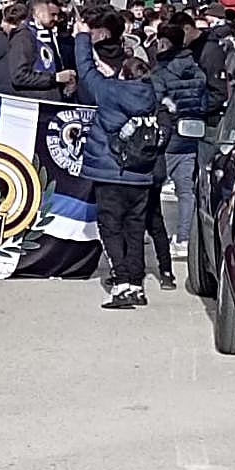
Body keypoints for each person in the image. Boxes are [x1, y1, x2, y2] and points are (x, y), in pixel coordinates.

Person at [75, 20, 157, 310]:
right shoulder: (150, 94)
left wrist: (82, 36)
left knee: (110, 228)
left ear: (122, 73)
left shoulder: (108, 92)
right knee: (135, 230)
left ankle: (121, 283)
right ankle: (136, 283)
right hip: (140, 175)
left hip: (111, 172)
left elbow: (85, 70)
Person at [151, 23, 207, 266]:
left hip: (167, 137)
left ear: (164, 43)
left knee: (153, 188)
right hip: (192, 135)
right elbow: (204, 104)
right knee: (186, 191)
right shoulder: (198, 71)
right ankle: (184, 238)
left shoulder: (160, 73)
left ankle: (153, 235)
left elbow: (156, 103)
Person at [8, 0, 76, 101]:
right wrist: (55, 78)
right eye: (52, 15)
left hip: (52, 100)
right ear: (39, 14)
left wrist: (66, 83)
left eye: (58, 15)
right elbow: (19, 76)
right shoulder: (24, 36)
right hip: (33, 104)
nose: (56, 19)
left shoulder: (50, 34)